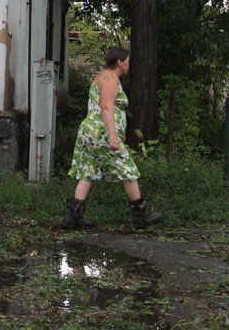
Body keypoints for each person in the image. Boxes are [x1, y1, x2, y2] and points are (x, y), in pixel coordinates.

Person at [63, 46, 166, 230]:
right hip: (101, 133)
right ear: (120, 62)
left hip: (90, 132)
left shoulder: (101, 76)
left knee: (88, 170)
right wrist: (112, 133)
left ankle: (73, 217)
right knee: (127, 168)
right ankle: (142, 215)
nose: (129, 64)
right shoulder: (110, 79)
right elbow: (106, 107)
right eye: (127, 61)